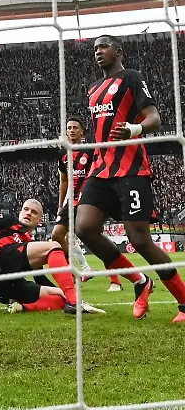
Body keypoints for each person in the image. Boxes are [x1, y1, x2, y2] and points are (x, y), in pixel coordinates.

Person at [74, 35, 185, 323]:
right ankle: (139, 281)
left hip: (132, 170)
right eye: (95, 48)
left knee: (139, 239)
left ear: (119, 51)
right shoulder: (93, 89)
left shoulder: (132, 78)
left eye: (104, 46)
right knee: (84, 228)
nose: (98, 52)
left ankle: (184, 302)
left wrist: (134, 130)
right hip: (101, 170)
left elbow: (154, 118)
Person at [0, 200, 104, 315]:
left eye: (34, 212)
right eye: (26, 209)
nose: (29, 213)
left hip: (6, 288)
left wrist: (65, 290)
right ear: (20, 212)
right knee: (54, 245)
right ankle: (74, 302)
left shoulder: (30, 244)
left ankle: (21, 307)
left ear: (39, 220)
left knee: (61, 296)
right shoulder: (9, 221)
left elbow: (40, 277)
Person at [52, 117, 121, 291]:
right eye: (69, 128)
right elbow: (64, 180)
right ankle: (78, 272)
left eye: (75, 127)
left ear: (82, 132)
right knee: (58, 235)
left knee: (95, 238)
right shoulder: (62, 154)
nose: (72, 130)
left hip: (88, 200)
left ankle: (115, 280)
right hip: (71, 202)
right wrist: (60, 205)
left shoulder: (90, 151)